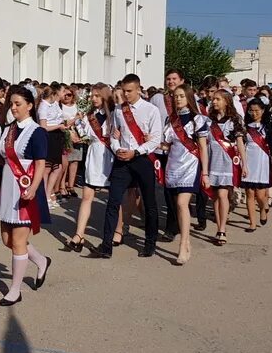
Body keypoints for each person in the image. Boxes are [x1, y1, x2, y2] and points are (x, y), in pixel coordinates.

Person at [91, 73, 163, 259]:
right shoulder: (118, 111)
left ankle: (150, 242)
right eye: (124, 91)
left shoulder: (151, 110)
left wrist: (136, 152)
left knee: (149, 202)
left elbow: (156, 139)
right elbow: (114, 135)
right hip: (122, 160)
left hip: (141, 159)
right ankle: (106, 245)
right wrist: (117, 149)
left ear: (139, 89)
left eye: (130, 91)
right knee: (113, 202)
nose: (126, 94)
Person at [0, 85, 51, 305]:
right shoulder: (8, 129)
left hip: (26, 187)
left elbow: (39, 163)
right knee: (8, 239)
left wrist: (34, 188)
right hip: (8, 187)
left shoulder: (36, 132)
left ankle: (15, 290)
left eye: (18, 104)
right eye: (12, 104)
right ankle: (41, 260)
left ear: (30, 105)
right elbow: (1, 157)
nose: (14, 108)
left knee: (18, 240)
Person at [159, 84, 210, 266]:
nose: (178, 99)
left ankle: (182, 244)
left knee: (182, 203)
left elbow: (203, 147)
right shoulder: (170, 120)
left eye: (181, 96)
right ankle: (186, 240)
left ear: (188, 97)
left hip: (191, 164)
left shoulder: (198, 120)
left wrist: (205, 173)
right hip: (173, 165)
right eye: (175, 96)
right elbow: (166, 145)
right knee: (178, 206)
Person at [64, 84, 113, 252]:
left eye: (97, 96)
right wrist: (74, 135)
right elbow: (84, 137)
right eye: (92, 95)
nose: (93, 98)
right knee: (86, 196)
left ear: (105, 97)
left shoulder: (114, 115)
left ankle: (118, 230)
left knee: (115, 200)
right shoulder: (88, 116)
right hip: (93, 158)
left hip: (110, 158)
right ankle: (79, 235)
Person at [206, 89, 246, 245]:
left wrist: (244, 163)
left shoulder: (234, 119)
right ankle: (218, 225)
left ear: (226, 101)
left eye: (218, 99)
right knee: (214, 197)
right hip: (211, 161)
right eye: (213, 99)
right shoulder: (208, 120)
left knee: (223, 195)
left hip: (227, 161)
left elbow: (240, 142)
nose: (214, 102)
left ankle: (222, 229)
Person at [242, 99, 272, 232]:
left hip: (262, 160)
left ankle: (263, 208)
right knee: (249, 193)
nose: (254, 113)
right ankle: (252, 223)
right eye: (251, 110)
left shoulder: (268, 126)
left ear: (263, 111)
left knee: (260, 195)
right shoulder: (246, 126)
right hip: (248, 160)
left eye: (257, 110)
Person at [37, 84, 68, 208]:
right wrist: (58, 126)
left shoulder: (55, 104)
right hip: (48, 137)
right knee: (47, 168)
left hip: (56, 136)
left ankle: (48, 193)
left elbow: (60, 118)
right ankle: (44, 196)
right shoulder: (43, 106)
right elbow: (43, 127)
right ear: (54, 94)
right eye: (62, 92)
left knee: (57, 167)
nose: (63, 94)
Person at [59, 88, 83, 201]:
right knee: (65, 162)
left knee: (75, 161)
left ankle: (71, 185)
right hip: (66, 134)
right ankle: (62, 185)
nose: (67, 97)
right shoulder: (60, 107)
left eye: (69, 94)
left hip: (77, 134)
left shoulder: (77, 106)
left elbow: (82, 120)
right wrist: (75, 119)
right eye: (65, 94)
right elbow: (63, 123)